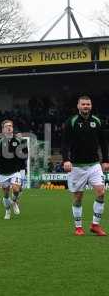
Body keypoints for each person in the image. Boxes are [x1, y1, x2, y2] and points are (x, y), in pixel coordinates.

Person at [62, 95, 109, 236]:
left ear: (91, 106)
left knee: (101, 192)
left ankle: (95, 225)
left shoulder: (97, 121)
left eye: (88, 104)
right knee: (78, 197)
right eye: (83, 104)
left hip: (94, 164)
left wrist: (106, 160)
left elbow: (103, 142)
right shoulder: (71, 122)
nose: (86, 106)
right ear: (78, 106)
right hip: (76, 166)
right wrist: (66, 159)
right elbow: (64, 143)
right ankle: (78, 227)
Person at [0, 120, 27, 220]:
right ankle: (7, 211)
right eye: (6, 126)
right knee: (6, 194)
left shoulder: (18, 140)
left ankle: (14, 202)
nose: (9, 128)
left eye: (11, 126)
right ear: (3, 129)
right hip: (3, 172)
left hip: (15, 171)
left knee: (16, 190)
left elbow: (24, 155)